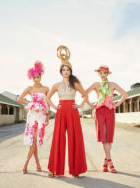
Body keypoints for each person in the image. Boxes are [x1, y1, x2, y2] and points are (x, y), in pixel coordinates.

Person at [46, 45, 87, 178]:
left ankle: (75, 170)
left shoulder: (75, 84)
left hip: (73, 112)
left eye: (67, 69)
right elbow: (47, 97)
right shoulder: (56, 85)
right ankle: (53, 169)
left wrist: (80, 105)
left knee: (75, 139)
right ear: (61, 71)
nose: (65, 71)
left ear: (70, 71)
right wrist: (53, 106)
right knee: (58, 139)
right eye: (63, 69)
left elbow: (85, 95)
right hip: (61, 112)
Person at [85, 65, 128, 173]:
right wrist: (91, 104)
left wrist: (116, 104)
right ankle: (110, 162)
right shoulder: (96, 85)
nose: (103, 75)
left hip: (110, 111)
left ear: (108, 74)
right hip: (99, 111)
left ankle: (105, 163)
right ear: (98, 74)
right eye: (101, 73)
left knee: (108, 138)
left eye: (105, 73)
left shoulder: (112, 84)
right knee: (103, 137)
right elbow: (84, 93)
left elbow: (125, 94)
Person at [17, 61, 50, 174]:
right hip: (32, 116)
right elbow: (19, 99)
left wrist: (47, 117)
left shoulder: (46, 89)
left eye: (38, 77)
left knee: (35, 141)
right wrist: (31, 104)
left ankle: (37, 164)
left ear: (41, 76)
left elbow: (48, 103)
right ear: (32, 78)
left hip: (41, 116)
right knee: (33, 141)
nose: (36, 79)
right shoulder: (29, 88)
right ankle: (27, 164)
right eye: (34, 77)